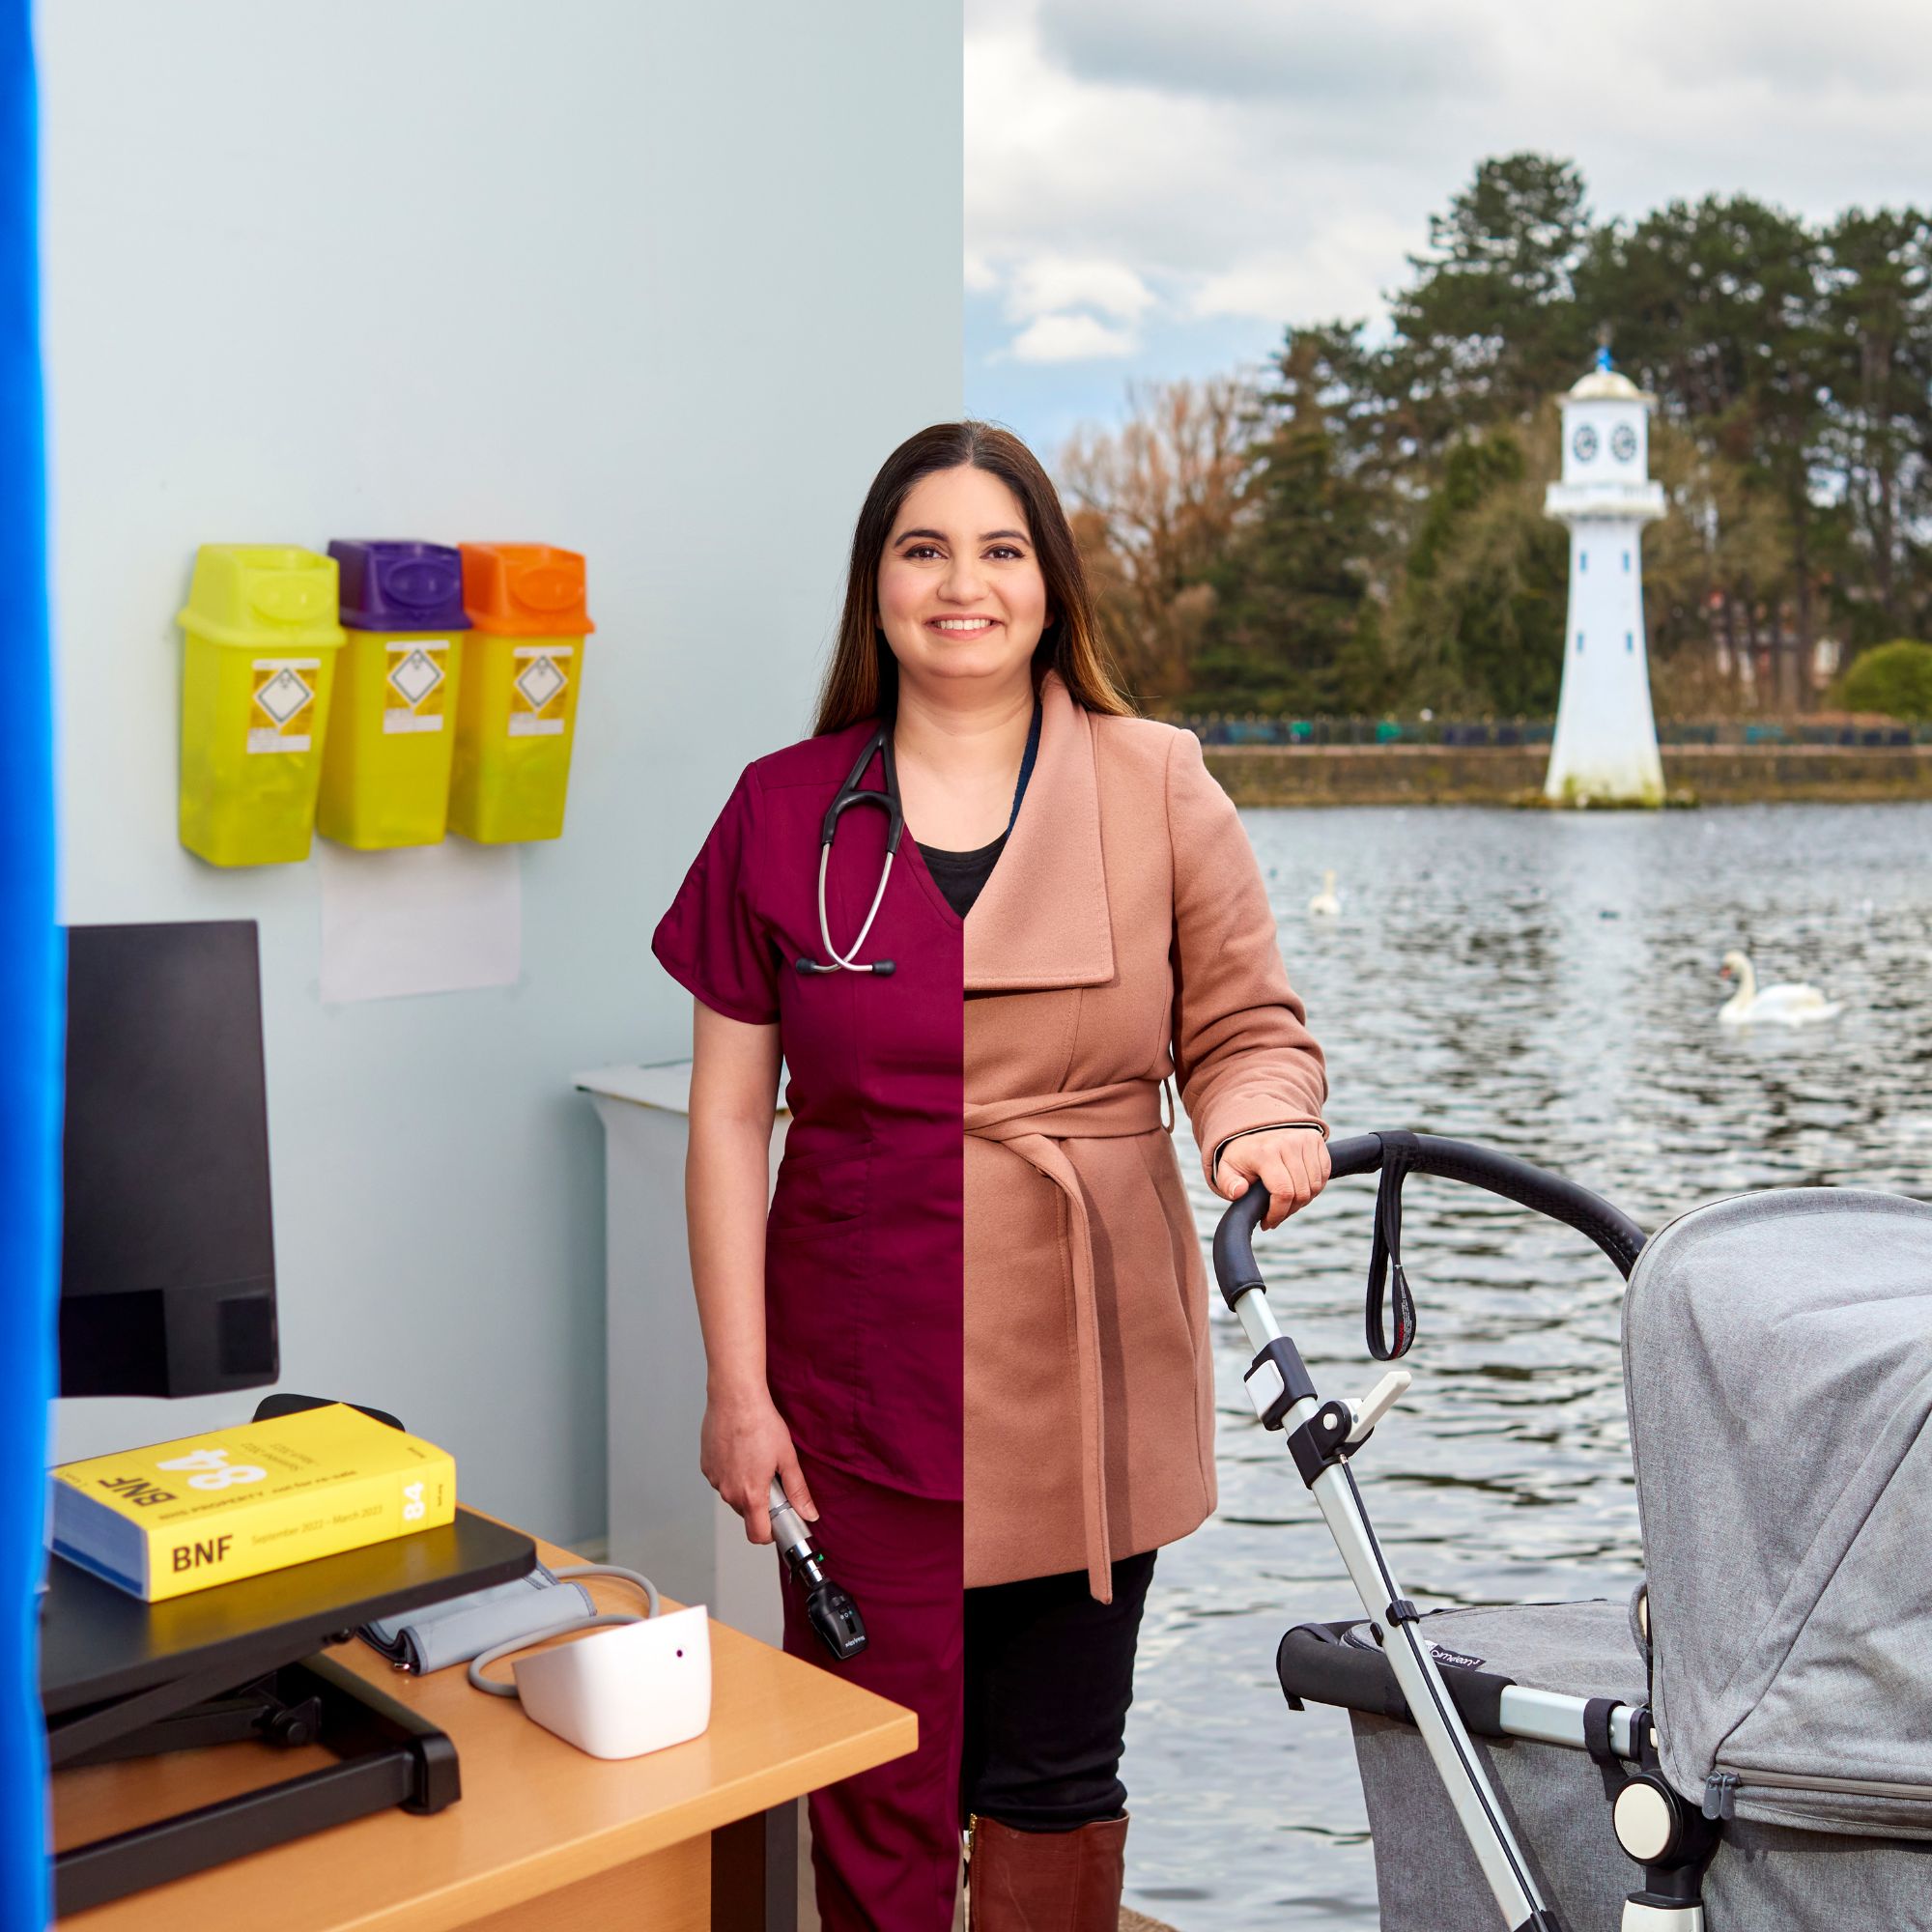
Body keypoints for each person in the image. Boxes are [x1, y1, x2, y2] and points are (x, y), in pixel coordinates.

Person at [655, 418, 1327, 1930]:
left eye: (1001, 549)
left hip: (1088, 1379)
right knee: (875, 1778)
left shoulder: (1158, 784)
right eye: (925, 548)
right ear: (876, 587)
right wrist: (739, 1393)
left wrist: (1257, 1121)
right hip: (851, 1384)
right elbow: (723, 1122)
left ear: (1051, 585)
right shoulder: (780, 809)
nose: (964, 583)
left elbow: (1248, 1028)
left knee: (1052, 1776)